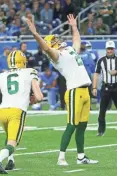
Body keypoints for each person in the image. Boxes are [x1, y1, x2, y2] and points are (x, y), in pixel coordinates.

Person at [27, 14, 98, 165]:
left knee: (82, 126)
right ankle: (61, 157)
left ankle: (81, 157)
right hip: (74, 91)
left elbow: (77, 40)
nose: (58, 41)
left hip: (85, 91)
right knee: (72, 125)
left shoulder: (70, 50)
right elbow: (46, 47)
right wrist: (35, 34)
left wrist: (74, 27)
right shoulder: (56, 55)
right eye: (55, 40)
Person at [0, 50, 43, 174]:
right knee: (13, 141)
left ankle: (11, 161)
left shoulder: (1, 76)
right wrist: (33, 99)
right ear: (23, 62)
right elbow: (39, 97)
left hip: (2, 112)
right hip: (17, 111)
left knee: (9, 137)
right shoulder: (30, 72)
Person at [92, 40, 117, 136]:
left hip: (116, 86)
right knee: (102, 110)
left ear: (114, 49)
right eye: (108, 49)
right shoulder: (101, 60)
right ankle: (101, 130)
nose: (109, 51)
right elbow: (96, 74)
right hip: (106, 87)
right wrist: (94, 87)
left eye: (111, 49)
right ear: (105, 49)